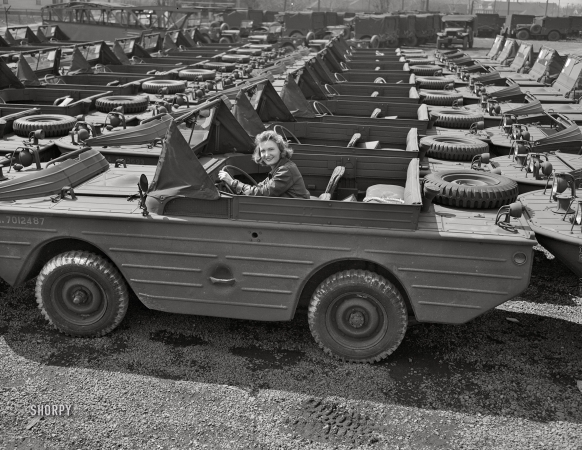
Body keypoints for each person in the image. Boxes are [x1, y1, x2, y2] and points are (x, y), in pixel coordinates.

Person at [217, 130, 310, 199]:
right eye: (263, 151)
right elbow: (259, 187)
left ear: (280, 150)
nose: (266, 155)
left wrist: (232, 182)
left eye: (271, 149)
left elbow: (262, 193)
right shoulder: (279, 168)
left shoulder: (286, 170)